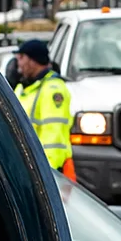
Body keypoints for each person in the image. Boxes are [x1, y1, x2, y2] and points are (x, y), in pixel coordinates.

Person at [14, 39, 74, 178]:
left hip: (52, 171)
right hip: (31, 168)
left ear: (32, 60)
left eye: (22, 58)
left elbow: (54, 137)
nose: (19, 64)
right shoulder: (23, 88)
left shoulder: (52, 90)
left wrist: (47, 175)